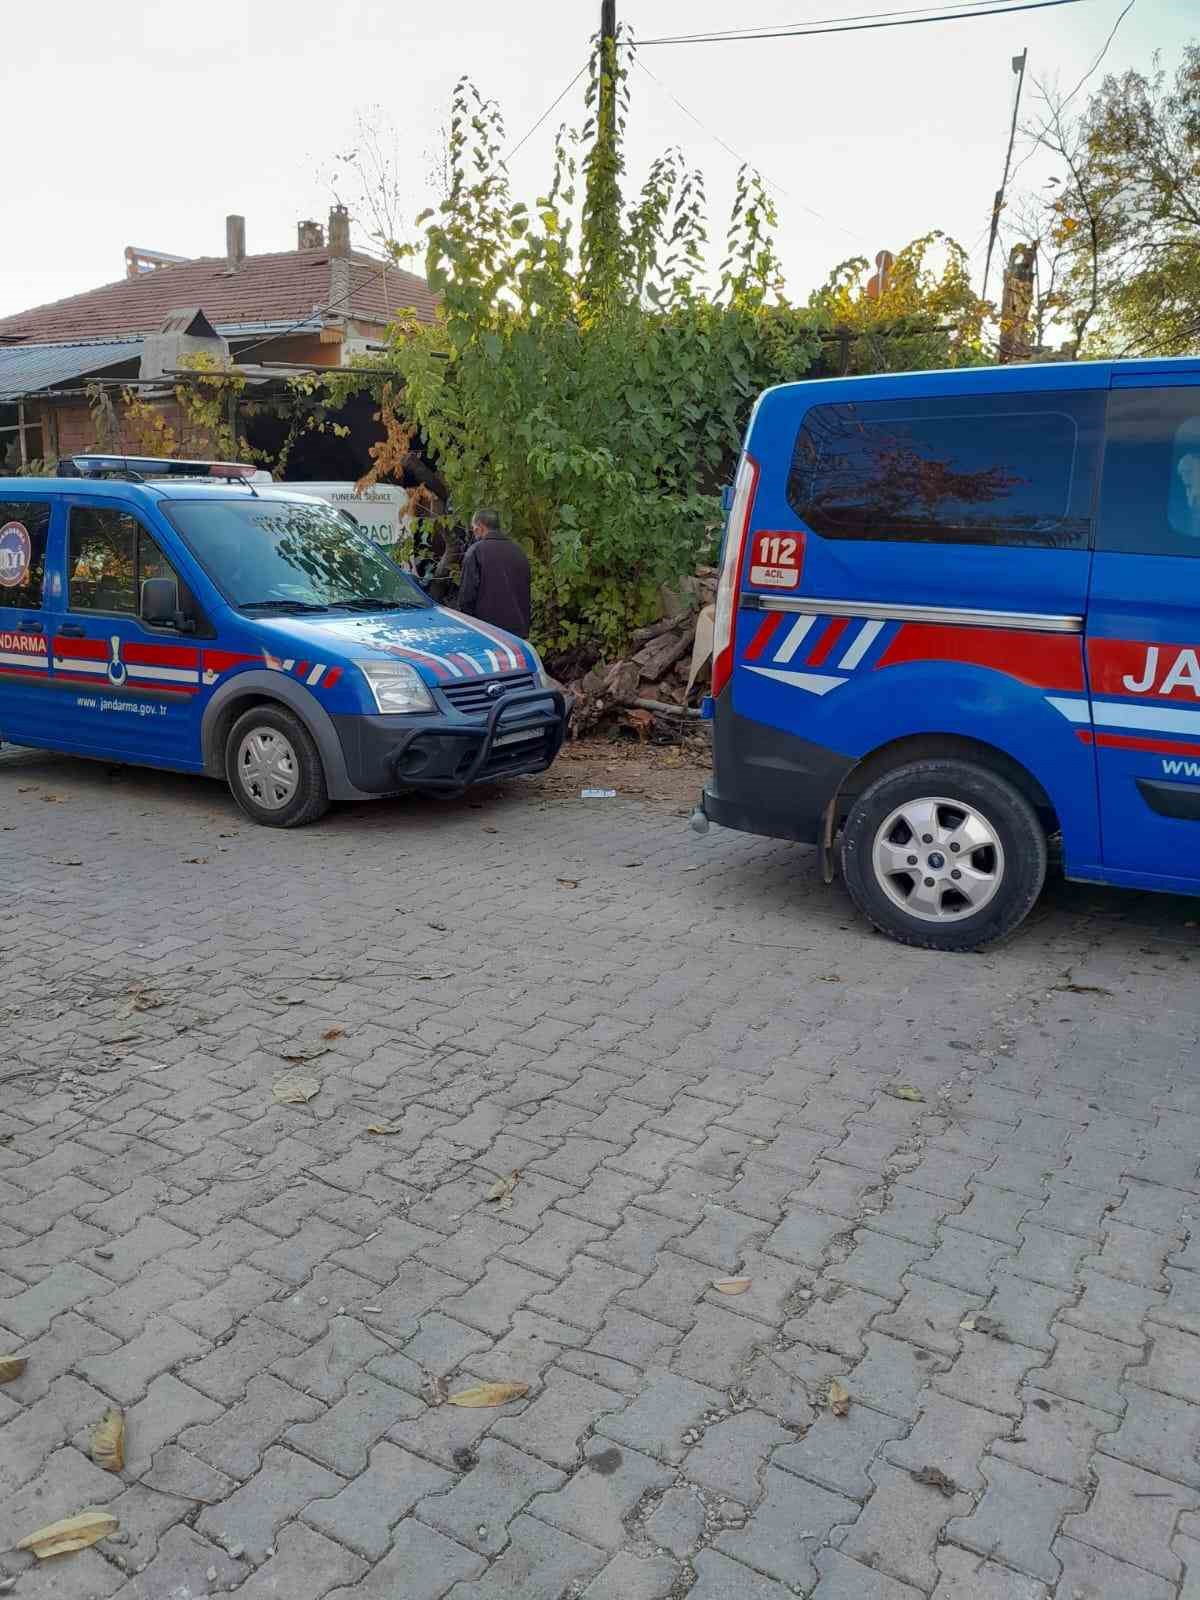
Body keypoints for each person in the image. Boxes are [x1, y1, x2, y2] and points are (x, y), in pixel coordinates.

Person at [456, 507, 531, 637]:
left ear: (480, 526)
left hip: (488, 633)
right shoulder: (518, 551)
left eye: (473, 527)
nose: (473, 531)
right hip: (518, 632)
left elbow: (466, 597)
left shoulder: (476, 551)